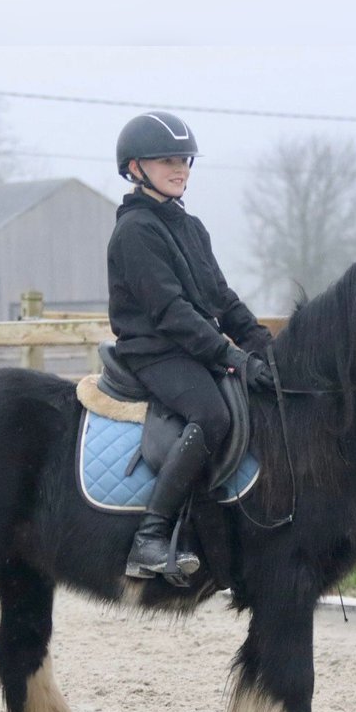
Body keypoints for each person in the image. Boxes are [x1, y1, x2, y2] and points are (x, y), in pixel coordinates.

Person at [107, 110, 275, 584]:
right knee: (213, 414)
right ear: (136, 168)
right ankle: (150, 537)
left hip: (189, 347)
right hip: (153, 351)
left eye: (184, 159)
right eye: (166, 160)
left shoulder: (190, 227)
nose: (179, 168)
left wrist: (262, 344)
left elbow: (220, 298)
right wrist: (232, 358)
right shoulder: (135, 231)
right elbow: (171, 312)